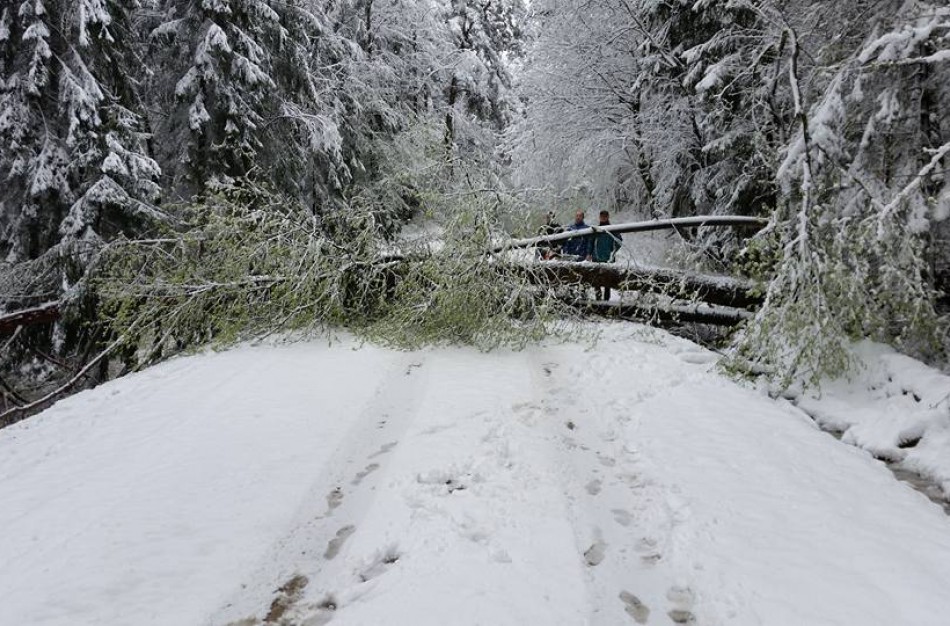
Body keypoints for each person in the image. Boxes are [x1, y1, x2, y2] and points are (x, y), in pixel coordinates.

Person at [590, 210, 622, 300]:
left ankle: (606, 302)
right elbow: (591, 242)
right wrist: (589, 253)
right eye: (601, 216)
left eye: (605, 216)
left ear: (608, 217)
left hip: (608, 259)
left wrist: (613, 251)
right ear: (599, 217)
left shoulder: (613, 229)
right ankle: (598, 301)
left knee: (607, 282)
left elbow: (619, 241)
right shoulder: (595, 229)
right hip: (596, 258)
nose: (603, 218)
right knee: (597, 282)